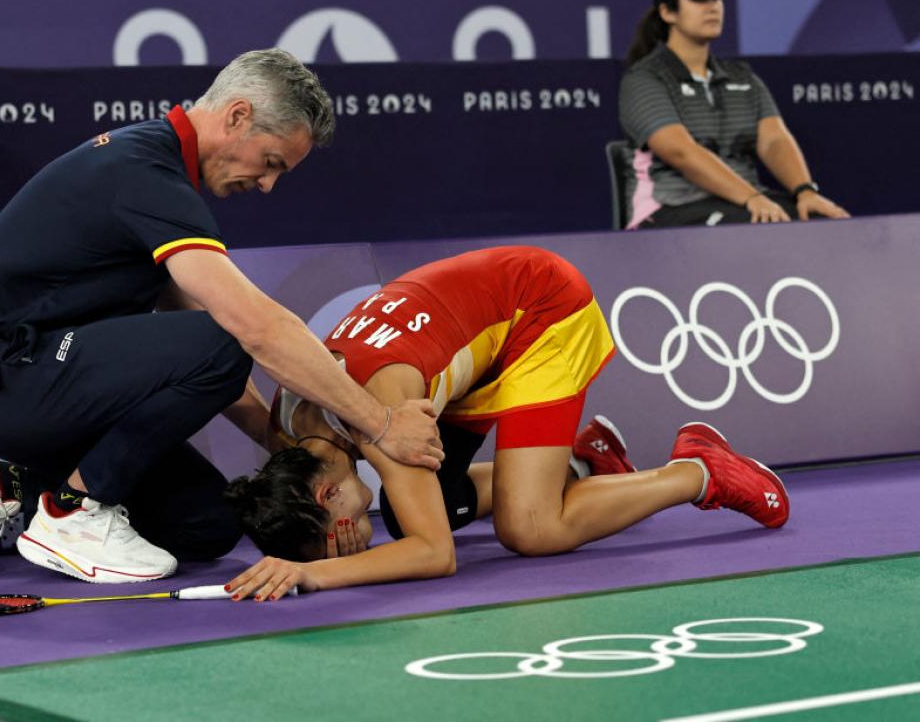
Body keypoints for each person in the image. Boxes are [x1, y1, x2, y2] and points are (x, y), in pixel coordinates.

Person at [0, 48, 443, 585]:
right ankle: (73, 512)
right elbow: (253, 329)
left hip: (52, 385)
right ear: (238, 115)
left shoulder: (161, 174)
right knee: (227, 339)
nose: (268, 185)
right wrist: (379, 423)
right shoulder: (145, 173)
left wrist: (275, 441)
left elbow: (190, 337)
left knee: (207, 526)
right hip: (0, 378)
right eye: (271, 163)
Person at [222, 246, 790, 601]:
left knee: (532, 529)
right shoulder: (288, 431)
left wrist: (314, 575)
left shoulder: (382, 420)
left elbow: (434, 555)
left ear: (325, 495)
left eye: (334, 542)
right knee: (418, 507)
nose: (344, 549)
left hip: (538, 308)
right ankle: (584, 463)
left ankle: (699, 470)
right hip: (465, 346)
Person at [618, 0, 850, 230]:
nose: (713, 6)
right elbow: (681, 152)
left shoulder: (742, 77)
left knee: (825, 223)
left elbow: (773, 141)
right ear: (668, 12)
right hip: (671, 208)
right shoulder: (644, 78)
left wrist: (805, 191)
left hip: (743, 204)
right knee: (757, 228)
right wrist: (751, 197)